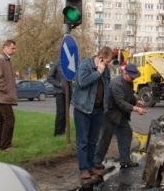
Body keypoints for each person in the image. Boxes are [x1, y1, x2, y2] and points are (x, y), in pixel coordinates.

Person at [71, 46, 114, 181]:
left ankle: (91, 166)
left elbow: (107, 88)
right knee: (83, 140)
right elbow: (82, 82)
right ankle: (84, 169)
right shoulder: (85, 65)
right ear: (101, 58)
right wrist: (98, 72)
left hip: (98, 109)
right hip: (83, 108)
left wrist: (107, 106)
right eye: (106, 62)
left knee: (93, 140)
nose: (108, 65)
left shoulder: (106, 70)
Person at [94, 63, 147, 170]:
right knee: (105, 139)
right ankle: (96, 162)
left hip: (120, 115)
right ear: (125, 73)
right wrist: (136, 109)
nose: (133, 78)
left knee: (126, 133)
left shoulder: (129, 82)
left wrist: (137, 101)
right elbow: (121, 102)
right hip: (109, 115)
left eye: (134, 76)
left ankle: (125, 160)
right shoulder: (116, 84)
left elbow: (130, 96)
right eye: (132, 76)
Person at [0, 39, 18, 151]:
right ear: (5, 47)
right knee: (9, 120)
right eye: (12, 48)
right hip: (3, 97)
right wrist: (6, 90)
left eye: (15, 48)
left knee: (1, 120)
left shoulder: (5, 59)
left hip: (2, 96)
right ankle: (6, 145)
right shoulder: (0, 59)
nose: (14, 50)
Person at [47, 62, 70, 136]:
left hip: (68, 92)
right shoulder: (56, 64)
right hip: (59, 92)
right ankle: (57, 132)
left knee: (66, 112)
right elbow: (49, 78)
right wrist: (59, 84)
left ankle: (63, 130)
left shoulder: (69, 63)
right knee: (61, 112)